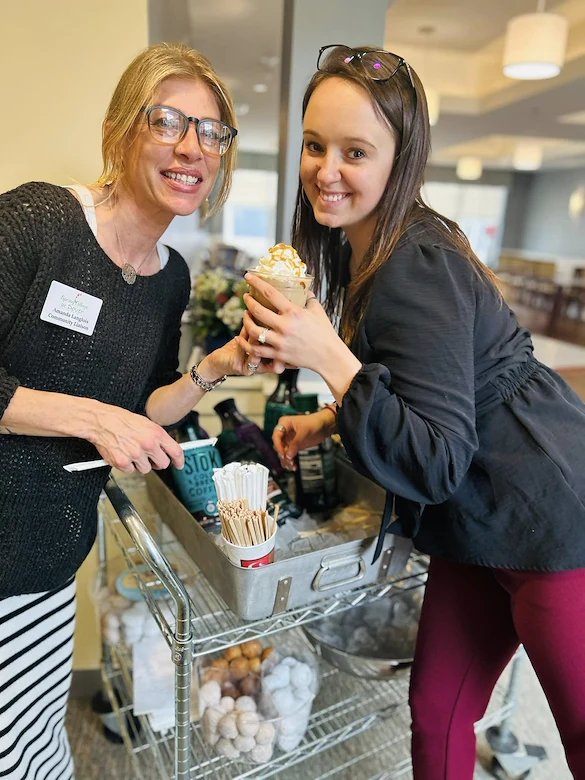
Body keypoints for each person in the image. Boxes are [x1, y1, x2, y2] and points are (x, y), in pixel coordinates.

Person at [239, 44, 585, 779]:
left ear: (402, 160)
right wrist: (331, 417)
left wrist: (327, 356)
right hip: (476, 517)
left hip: (547, 513)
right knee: (436, 711)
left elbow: (432, 459)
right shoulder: (371, 251)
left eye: (354, 151)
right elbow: (426, 383)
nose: (324, 170)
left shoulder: (412, 262)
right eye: (313, 145)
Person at [0, 42, 262, 779]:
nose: (192, 147)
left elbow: (141, 403)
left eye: (212, 131)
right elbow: (104, 416)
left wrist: (213, 369)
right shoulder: (39, 221)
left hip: (52, 556)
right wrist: (91, 418)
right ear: (121, 130)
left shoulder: (168, 279)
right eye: (168, 121)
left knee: (33, 742)